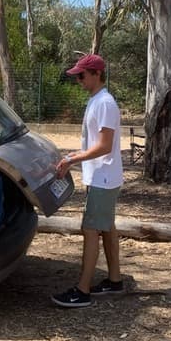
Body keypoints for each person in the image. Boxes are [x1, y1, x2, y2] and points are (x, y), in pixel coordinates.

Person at [51, 54, 127, 308]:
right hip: (102, 175)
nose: (79, 80)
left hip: (104, 177)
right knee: (107, 227)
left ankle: (82, 290)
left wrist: (72, 160)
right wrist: (73, 156)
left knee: (91, 229)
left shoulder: (105, 103)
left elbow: (104, 146)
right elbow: (95, 143)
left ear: (96, 73)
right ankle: (115, 280)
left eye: (81, 75)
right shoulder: (97, 101)